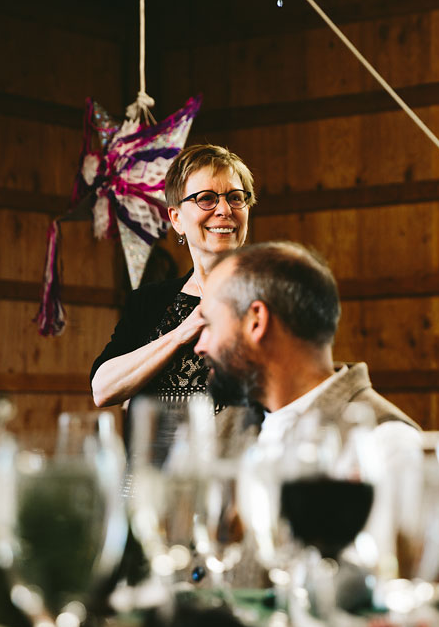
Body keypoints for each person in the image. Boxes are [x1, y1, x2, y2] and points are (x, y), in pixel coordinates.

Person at [194, 240, 419, 439]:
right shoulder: (221, 431)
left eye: (209, 325)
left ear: (256, 321)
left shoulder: (382, 440)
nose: (199, 346)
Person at [91, 144, 255, 408]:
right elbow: (102, 390)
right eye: (206, 198)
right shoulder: (149, 301)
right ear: (176, 218)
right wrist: (182, 333)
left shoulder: (275, 296)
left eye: (235, 197)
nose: (225, 209)